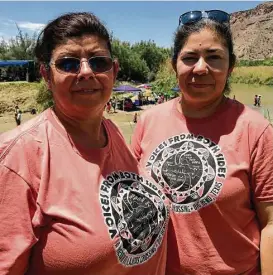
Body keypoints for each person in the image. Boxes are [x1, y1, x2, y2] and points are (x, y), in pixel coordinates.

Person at [0, 12, 169, 275]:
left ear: (114, 71)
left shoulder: (110, 131)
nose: (86, 72)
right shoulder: (19, 158)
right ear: (46, 74)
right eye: (68, 64)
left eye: (98, 62)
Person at [132, 9, 273, 275]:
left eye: (214, 57)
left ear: (231, 66)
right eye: (189, 57)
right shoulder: (148, 121)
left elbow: (271, 224)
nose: (200, 68)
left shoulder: (256, 129)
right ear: (174, 64)